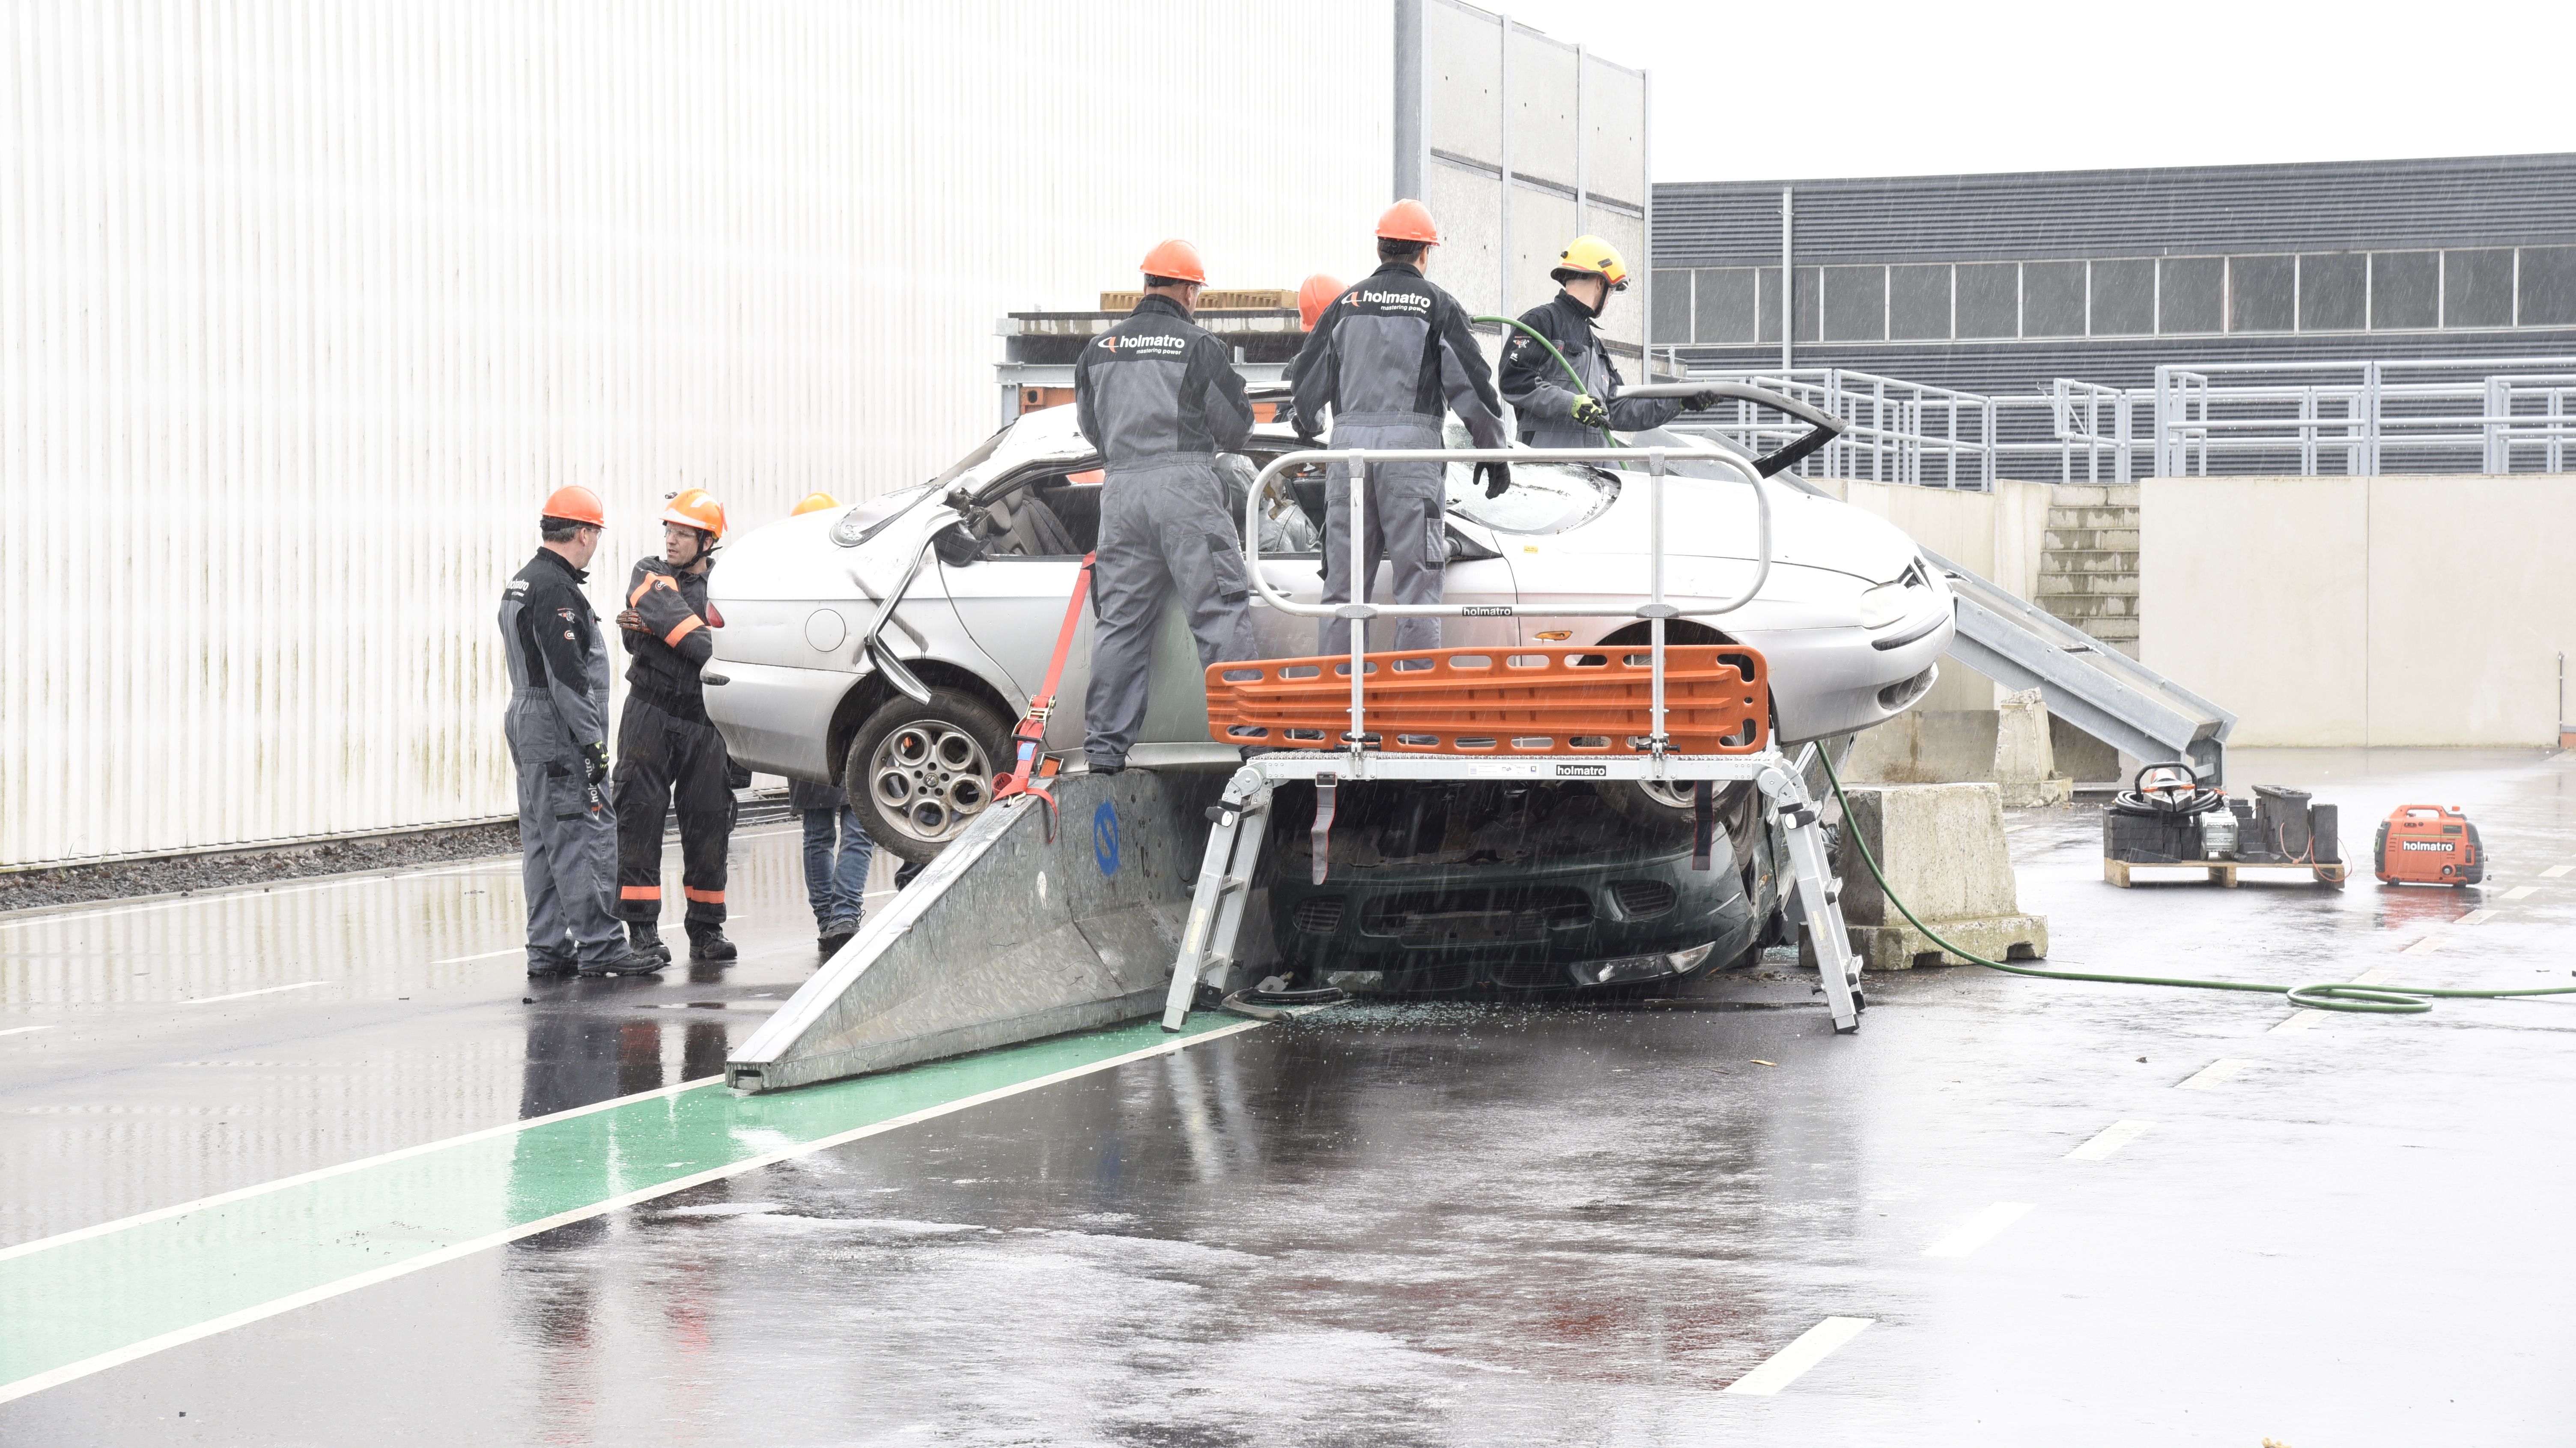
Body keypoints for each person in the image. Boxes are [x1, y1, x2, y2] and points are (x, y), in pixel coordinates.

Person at [1287, 199, 1509, 657]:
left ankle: (1344, 720)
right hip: (1411, 463)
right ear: (1425, 254)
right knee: (1417, 594)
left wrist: (1308, 424)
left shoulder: (1344, 305)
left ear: (1380, 249)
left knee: (1344, 595)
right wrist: (1494, 452)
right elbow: (1474, 388)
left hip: (1347, 459)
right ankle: (1415, 726)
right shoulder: (1438, 305)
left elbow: (1305, 386)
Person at [1075, 238, 1258, 774]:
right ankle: (1252, 740)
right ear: (1187, 288)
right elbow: (1238, 428)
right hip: (1184, 492)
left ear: (1148, 283)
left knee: (1121, 623)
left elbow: (1093, 428)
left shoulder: (1099, 349)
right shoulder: (1198, 346)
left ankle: (1105, 751)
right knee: (1219, 612)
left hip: (1122, 495)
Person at [500, 487, 657, 978]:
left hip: (528, 719)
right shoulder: (556, 591)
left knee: (544, 840)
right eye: (596, 534)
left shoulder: (523, 582)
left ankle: (547, 947)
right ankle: (602, 945)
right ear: (584, 533)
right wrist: (592, 743)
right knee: (582, 833)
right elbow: (568, 678)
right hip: (557, 727)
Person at [611, 488, 738, 965]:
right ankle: (642, 931)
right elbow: (682, 627)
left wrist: (659, 629)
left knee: (709, 821)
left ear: (707, 541)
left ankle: (706, 931)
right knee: (639, 815)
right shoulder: (649, 571)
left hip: (705, 719)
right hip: (649, 713)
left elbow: (670, 625)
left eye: (683, 533)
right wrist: (700, 637)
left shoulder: (729, 585)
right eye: (669, 529)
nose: (671, 539)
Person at [1499, 235, 1718, 448]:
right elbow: (1514, 381)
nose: (1609, 299)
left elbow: (1619, 409)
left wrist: (1681, 400)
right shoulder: (1541, 322)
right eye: (1612, 291)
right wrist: (1571, 404)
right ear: (1600, 283)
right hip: (1548, 470)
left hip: (1596, 473)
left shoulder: (1596, 347)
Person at [786, 492, 877, 957]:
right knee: (858, 823)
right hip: (851, 716)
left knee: (819, 830)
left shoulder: (784, 589)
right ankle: (842, 914)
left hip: (807, 721)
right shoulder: (855, 582)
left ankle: (830, 917)